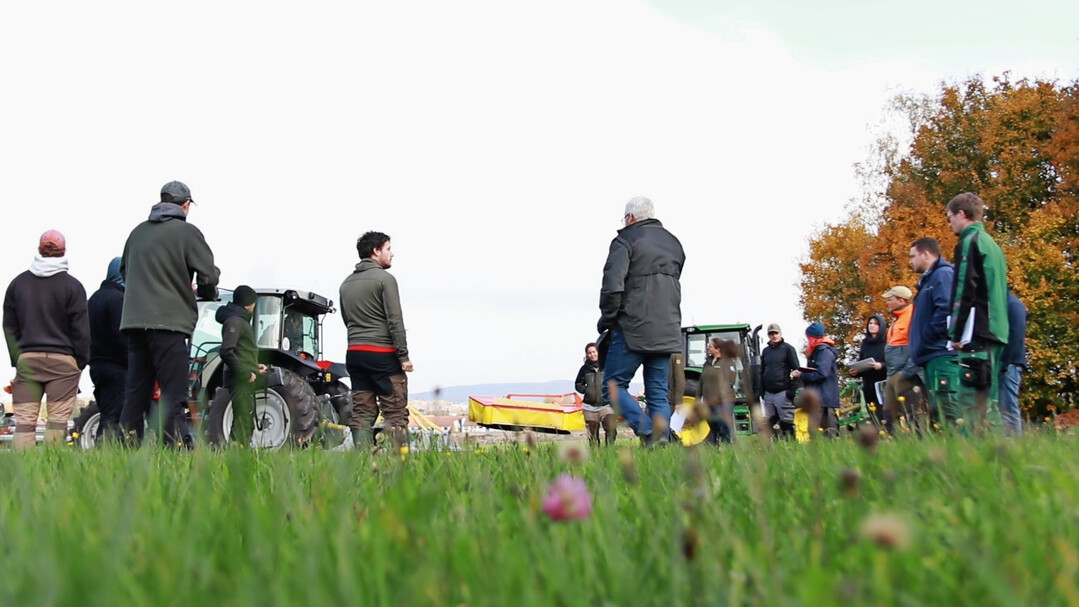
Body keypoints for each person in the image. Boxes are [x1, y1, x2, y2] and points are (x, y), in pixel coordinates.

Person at [119, 181, 220, 447]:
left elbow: (124, 273)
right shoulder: (187, 233)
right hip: (169, 324)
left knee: (136, 392)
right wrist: (206, 293)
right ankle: (172, 447)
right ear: (185, 205)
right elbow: (208, 275)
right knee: (172, 393)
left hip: (134, 322)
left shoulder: (137, 233)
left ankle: (125, 448)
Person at [598, 196, 685, 446]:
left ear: (630, 218)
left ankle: (648, 430)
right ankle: (661, 443)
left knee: (613, 387)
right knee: (658, 392)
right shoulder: (674, 243)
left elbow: (613, 287)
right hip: (667, 329)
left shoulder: (624, 240)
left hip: (632, 326)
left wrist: (607, 319)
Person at [2, 230, 90, 448]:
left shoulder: (18, 284)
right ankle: (52, 472)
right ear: (63, 252)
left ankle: (24, 475)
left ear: (39, 249)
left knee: (24, 424)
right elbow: (80, 330)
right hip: (63, 362)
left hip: (28, 359)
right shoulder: (73, 286)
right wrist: (80, 361)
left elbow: (9, 326)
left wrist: (17, 357)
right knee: (56, 424)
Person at [340, 231, 413, 449]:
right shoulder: (385, 280)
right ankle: (399, 466)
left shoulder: (346, 283)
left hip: (354, 353)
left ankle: (362, 462)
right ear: (376, 251)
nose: (392, 254)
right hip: (383, 355)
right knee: (395, 411)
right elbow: (395, 320)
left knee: (362, 412)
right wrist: (404, 355)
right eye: (388, 248)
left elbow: (347, 320)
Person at [947, 192, 1009, 430]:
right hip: (997, 330)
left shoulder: (969, 243)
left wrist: (955, 333)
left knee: (971, 404)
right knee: (989, 400)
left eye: (950, 217)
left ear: (962, 214)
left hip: (977, 333)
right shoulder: (992, 245)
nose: (949, 223)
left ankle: (974, 458)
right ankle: (999, 458)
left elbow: (964, 288)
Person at [908, 238, 955, 426]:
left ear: (925, 254)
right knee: (938, 413)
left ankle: (964, 451)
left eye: (913, 256)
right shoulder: (929, 281)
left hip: (940, 353)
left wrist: (929, 336)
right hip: (931, 354)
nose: (910, 261)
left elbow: (946, 309)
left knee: (948, 411)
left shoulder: (942, 276)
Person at [214, 285, 267, 447]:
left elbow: (240, 352)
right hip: (239, 379)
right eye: (253, 301)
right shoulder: (235, 321)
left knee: (245, 418)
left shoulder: (240, 320)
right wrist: (245, 373)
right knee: (243, 419)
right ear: (247, 303)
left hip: (244, 377)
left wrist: (254, 366)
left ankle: (239, 453)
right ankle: (236, 455)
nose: (254, 305)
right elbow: (226, 352)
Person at [87, 257, 127, 442]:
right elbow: (121, 337)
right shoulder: (118, 299)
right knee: (113, 417)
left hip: (97, 366)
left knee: (107, 412)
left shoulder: (94, 298)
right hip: (116, 367)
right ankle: (105, 456)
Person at [881, 286, 921, 432]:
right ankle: (895, 448)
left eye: (890, 300)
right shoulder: (896, 319)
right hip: (892, 373)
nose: (887, 303)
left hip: (905, 374)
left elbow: (918, 345)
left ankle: (922, 444)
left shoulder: (913, 316)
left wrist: (907, 372)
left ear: (901, 300)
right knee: (888, 416)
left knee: (914, 414)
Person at [794, 322, 839, 438]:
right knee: (818, 434)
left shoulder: (823, 351)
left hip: (824, 400)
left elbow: (822, 373)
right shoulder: (819, 352)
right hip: (821, 398)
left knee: (826, 435)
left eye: (808, 338)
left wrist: (802, 375)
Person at [759, 323, 800, 439]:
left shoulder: (788, 349)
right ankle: (774, 448)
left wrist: (792, 390)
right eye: (771, 334)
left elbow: (797, 371)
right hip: (769, 394)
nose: (774, 336)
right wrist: (761, 390)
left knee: (786, 422)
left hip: (783, 392)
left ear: (780, 334)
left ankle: (791, 446)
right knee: (770, 423)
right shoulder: (766, 351)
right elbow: (762, 371)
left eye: (776, 333)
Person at [575, 342, 616, 446]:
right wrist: (586, 390)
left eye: (594, 352)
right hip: (589, 407)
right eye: (589, 353)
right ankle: (596, 456)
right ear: (587, 355)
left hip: (606, 405)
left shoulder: (608, 365)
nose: (592, 354)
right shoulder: (584, 369)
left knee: (611, 430)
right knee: (592, 436)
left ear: (598, 352)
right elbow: (578, 384)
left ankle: (609, 452)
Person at [999, 290, 1027, 437]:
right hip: (1007, 363)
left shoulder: (1012, 305)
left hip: (1009, 364)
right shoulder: (1010, 304)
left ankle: (1014, 443)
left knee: (1008, 407)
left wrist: (1004, 363)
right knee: (1004, 407)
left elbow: (1016, 337)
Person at [850, 314, 887, 423]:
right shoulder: (865, 344)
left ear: (881, 326)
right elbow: (861, 362)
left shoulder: (886, 343)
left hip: (882, 384)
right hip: (868, 385)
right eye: (870, 323)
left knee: (883, 414)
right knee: (873, 416)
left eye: (875, 324)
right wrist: (856, 372)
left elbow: (892, 363)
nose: (872, 326)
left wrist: (881, 365)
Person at [701, 338, 739, 444]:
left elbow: (730, 381)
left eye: (710, 346)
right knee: (713, 424)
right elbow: (701, 382)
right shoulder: (707, 363)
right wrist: (699, 398)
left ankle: (727, 447)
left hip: (724, 400)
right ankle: (717, 446)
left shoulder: (728, 362)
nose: (708, 348)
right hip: (709, 400)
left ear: (718, 349)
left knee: (724, 424)